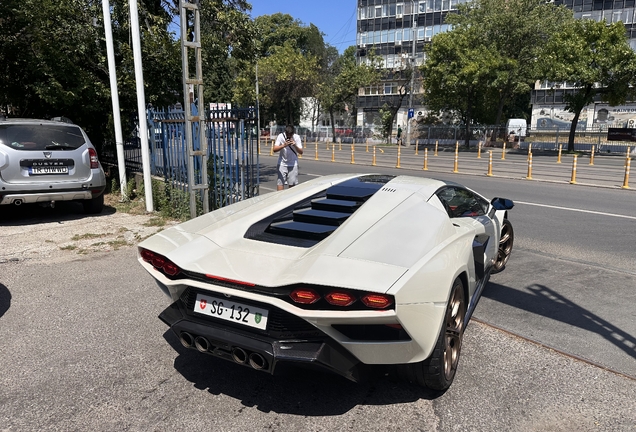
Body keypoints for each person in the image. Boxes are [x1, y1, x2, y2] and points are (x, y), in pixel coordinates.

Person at [274, 125, 303, 191]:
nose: (289, 137)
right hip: (282, 163)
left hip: (293, 164)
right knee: (280, 183)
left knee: (292, 184)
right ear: (285, 132)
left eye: (290, 135)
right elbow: (274, 149)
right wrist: (283, 145)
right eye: (287, 135)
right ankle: (280, 200)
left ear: (293, 133)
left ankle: (291, 200)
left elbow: (301, 152)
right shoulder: (280, 136)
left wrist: (295, 145)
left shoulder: (297, 137)